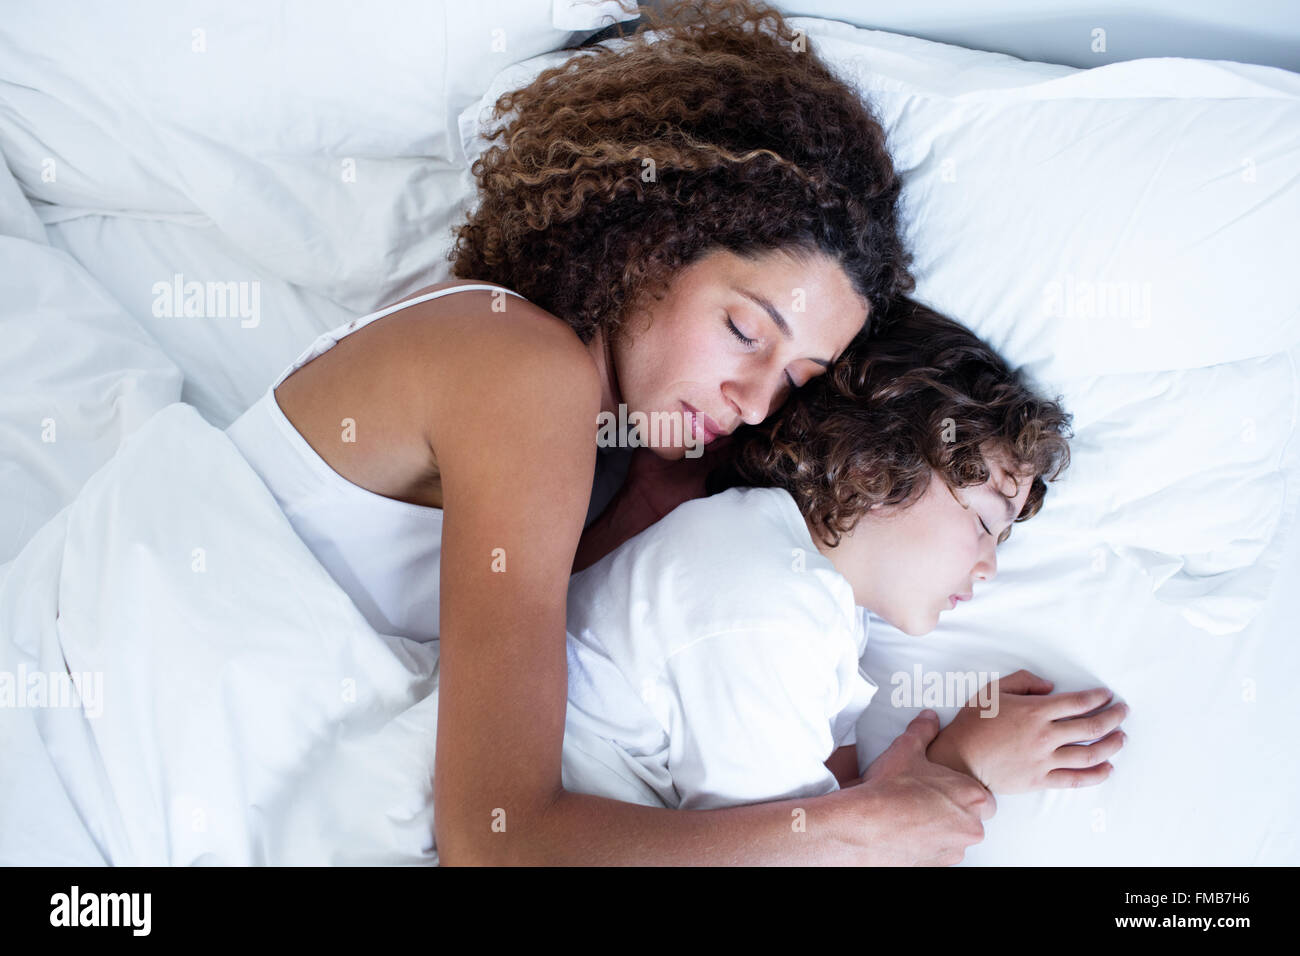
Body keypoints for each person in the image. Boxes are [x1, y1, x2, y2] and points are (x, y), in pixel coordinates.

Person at [228, 0, 988, 865]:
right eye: (745, 331)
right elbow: (498, 842)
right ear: (653, 243)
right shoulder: (520, 368)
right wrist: (855, 825)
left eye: (795, 379)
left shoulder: (609, 444)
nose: (752, 399)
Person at [560, 298, 1128, 817]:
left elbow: (829, 814)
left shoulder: (819, 601)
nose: (989, 567)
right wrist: (961, 766)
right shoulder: (763, 593)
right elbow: (796, 849)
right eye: (983, 522)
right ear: (873, 463)